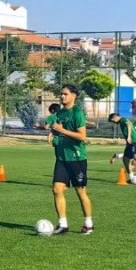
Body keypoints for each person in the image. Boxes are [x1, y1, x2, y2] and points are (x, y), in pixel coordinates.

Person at [50, 84, 93, 235]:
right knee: (57, 189)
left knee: (80, 192)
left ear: (74, 96)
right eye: (61, 94)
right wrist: (53, 135)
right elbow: (54, 129)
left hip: (77, 158)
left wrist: (62, 131)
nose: (62, 96)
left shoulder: (77, 113)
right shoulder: (59, 114)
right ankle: (63, 225)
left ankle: (88, 223)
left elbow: (82, 136)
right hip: (61, 158)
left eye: (65, 94)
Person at [107, 113, 136, 180]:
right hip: (133, 141)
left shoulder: (123, 120)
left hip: (134, 141)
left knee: (135, 157)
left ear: (114, 118)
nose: (114, 122)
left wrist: (129, 136)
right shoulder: (124, 121)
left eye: (113, 121)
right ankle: (132, 176)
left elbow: (129, 125)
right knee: (127, 158)